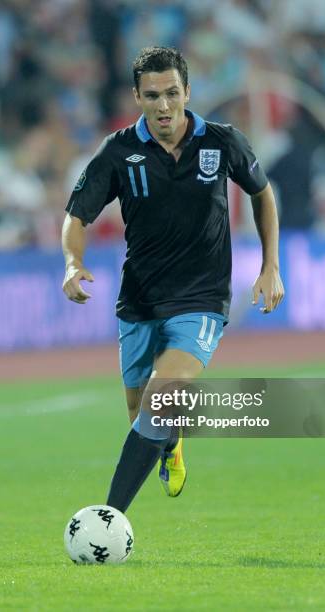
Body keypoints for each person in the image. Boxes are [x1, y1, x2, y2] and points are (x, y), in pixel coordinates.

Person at [61, 46, 284, 513]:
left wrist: (270, 267)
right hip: (140, 299)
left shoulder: (222, 141)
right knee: (141, 410)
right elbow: (76, 216)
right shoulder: (118, 151)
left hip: (202, 298)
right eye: (152, 95)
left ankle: (109, 517)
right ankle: (171, 445)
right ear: (136, 97)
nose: (163, 105)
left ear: (187, 91)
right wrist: (71, 262)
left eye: (172, 93)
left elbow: (262, 194)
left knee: (160, 401)